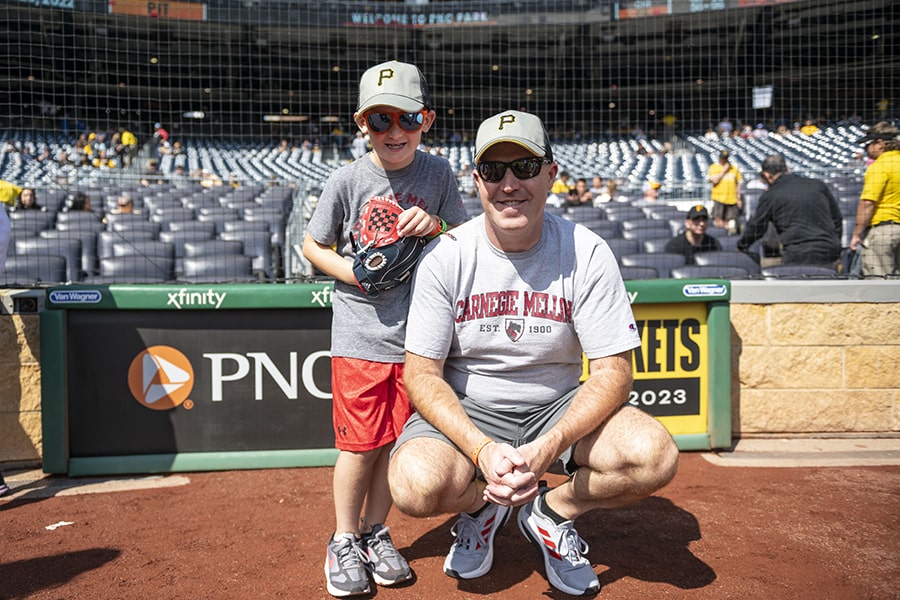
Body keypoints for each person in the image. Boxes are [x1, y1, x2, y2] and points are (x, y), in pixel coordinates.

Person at [387, 110, 679, 596]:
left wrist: (546, 450)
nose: (509, 184)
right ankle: (483, 506)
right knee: (415, 487)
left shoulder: (585, 250)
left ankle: (550, 512)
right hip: (471, 409)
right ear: (476, 180)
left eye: (524, 168)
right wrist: (481, 450)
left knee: (654, 456)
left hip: (557, 407)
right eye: (494, 171)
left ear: (550, 174)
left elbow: (614, 372)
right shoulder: (448, 255)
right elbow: (421, 374)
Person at [301, 60, 468, 598]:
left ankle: (375, 532)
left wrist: (437, 225)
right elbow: (313, 244)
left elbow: (464, 236)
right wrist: (352, 273)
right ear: (360, 123)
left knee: (392, 446)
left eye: (407, 118)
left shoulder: (439, 175)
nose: (394, 131)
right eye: (380, 120)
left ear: (427, 119)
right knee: (358, 448)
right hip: (361, 335)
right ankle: (343, 538)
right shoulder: (346, 179)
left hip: (420, 340)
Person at [736, 154, 842, 266]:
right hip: (830, 251)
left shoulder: (771, 196)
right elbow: (837, 218)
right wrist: (836, 242)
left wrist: (742, 245)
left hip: (797, 254)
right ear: (787, 169)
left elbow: (757, 227)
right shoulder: (817, 185)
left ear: (767, 175)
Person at [849, 122, 900, 277]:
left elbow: (867, 203)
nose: (865, 150)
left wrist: (857, 233)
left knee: (880, 285)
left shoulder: (880, 166)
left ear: (879, 144)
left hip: (884, 230)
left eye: (868, 145)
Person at [708, 150, 743, 233]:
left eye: (726, 158)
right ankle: (721, 232)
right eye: (723, 158)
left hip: (731, 199)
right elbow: (715, 180)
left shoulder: (734, 169)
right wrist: (724, 171)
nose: (724, 160)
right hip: (719, 198)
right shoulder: (714, 167)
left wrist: (739, 199)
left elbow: (738, 184)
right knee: (718, 218)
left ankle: (729, 234)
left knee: (731, 219)